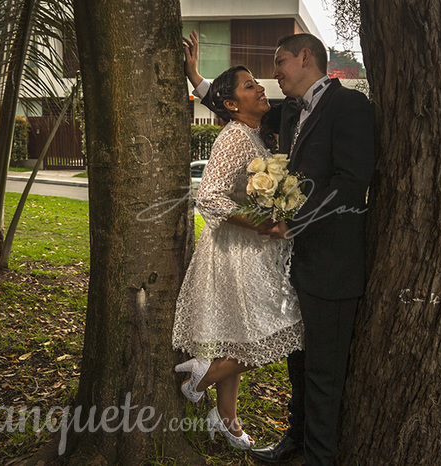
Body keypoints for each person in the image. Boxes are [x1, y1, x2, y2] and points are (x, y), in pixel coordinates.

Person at [185, 31, 375, 465]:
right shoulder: (289, 113)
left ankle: (319, 457)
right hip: (295, 265)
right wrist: (196, 78)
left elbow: (350, 185)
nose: (274, 73)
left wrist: (292, 222)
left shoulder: (351, 107)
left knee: (325, 375)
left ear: (305, 57)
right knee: (300, 368)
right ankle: (295, 442)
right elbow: (235, 110)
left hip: (333, 265)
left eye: (280, 62)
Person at [172, 63, 304, 451]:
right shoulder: (233, 137)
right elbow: (209, 195)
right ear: (232, 103)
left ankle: (226, 419)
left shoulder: (253, 133)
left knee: (237, 340)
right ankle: (202, 376)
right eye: (251, 86)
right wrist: (266, 221)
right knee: (292, 331)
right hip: (236, 252)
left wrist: (197, 78)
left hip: (251, 251)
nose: (261, 87)